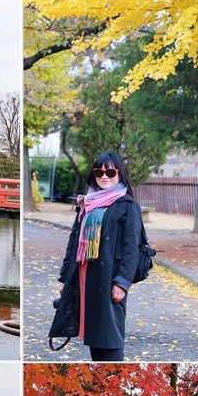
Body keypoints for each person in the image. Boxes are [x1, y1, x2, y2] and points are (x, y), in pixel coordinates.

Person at [49, 151, 143, 361]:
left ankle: (114, 373)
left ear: (119, 174)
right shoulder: (87, 204)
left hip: (108, 277)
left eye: (110, 171)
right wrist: (66, 278)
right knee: (93, 332)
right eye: (99, 171)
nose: (104, 176)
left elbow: (132, 250)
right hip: (84, 274)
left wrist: (122, 283)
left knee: (110, 334)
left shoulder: (128, 206)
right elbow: (73, 243)